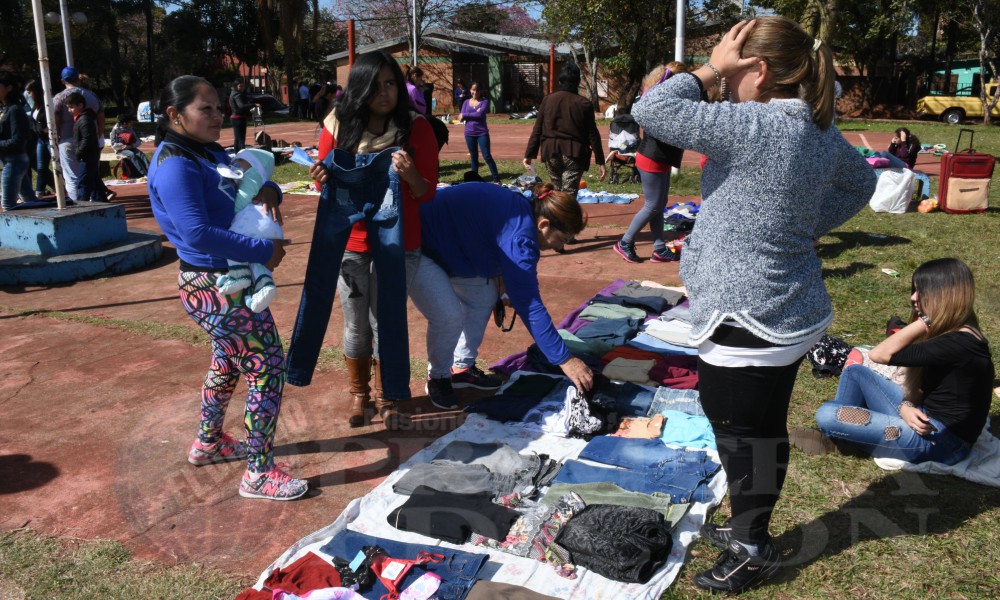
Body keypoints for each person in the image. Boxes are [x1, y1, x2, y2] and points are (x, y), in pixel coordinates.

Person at [632, 18, 878, 593]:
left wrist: (712, 65)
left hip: (749, 316)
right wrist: (801, 225)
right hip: (787, 309)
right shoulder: (813, 125)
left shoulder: (760, 122)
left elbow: (653, 111)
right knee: (762, 430)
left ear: (760, 72)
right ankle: (753, 527)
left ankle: (752, 546)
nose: (721, 84)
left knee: (740, 434)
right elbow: (861, 183)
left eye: (732, 72)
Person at [146, 74, 306, 501]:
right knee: (267, 368)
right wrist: (261, 250)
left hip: (219, 281)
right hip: (216, 284)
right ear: (174, 115)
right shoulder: (175, 163)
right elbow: (196, 233)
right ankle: (258, 473)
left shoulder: (206, 151)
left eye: (219, 107)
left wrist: (269, 187)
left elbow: (239, 186)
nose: (219, 115)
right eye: (206, 109)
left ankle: (209, 442)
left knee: (228, 361)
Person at [301, 51, 439, 430]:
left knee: (387, 321)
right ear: (360, 88)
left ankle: (388, 394)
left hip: (400, 243)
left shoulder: (417, 129)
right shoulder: (337, 124)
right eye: (376, 86)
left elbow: (426, 193)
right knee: (356, 325)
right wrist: (320, 176)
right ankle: (359, 394)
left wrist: (409, 176)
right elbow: (323, 183)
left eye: (391, 84)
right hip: (351, 243)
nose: (384, 93)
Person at [408, 181, 595, 408]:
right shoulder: (521, 237)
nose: (559, 248)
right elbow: (529, 305)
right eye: (561, 240)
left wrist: (498, 271)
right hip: (416, 244)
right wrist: (565, 360)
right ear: (544, 224)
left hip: (450, 244)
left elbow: (487, 233)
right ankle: (438, 377)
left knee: (483, 297)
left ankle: (460, 367)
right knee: (448, 315)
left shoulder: (524, 210)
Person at [799, 258, 993, 465]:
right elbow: (928, 388)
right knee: (856, 372)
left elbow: (879, 354)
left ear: (944, 296)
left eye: (921, 292)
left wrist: (925, 320)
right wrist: (906, 406)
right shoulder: (958, 334)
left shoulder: (958, 343)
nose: (913, 298)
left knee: (827, 414)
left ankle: (841, 436)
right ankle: (844, 434)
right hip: (924, 420)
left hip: (941, 443)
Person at [614, 62, 688, 264]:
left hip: (659, 157)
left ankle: (659, 248)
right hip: (652, 157)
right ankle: (625, 242)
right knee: (653, 204)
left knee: (659, 204)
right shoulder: (660, 101)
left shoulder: (659, 97)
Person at [523, 62, 606, 196]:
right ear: (577, 82)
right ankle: (565, 215)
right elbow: (593, 135)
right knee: (568, 195)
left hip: (550, 152)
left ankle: (556, 215)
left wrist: (529, 155)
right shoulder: (584, 103)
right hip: (574, 153)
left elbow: (537, 129)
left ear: (560, 81)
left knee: (556, 192)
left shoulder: (547, 100)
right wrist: (601, 161)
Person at [215, 148, 282, 313]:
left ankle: (240, 274)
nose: (234, 164)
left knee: (233, 239)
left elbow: (242, 199)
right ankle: (265, 284)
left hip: (254, 223)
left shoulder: (252, 177)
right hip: (265, 225)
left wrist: (231, 214)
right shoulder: (254, 175)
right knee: (255, 259)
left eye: (240, 161)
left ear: (254, 165)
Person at [52, 66, 104, 201]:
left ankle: (79, 207)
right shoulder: (91, 95)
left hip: (67, 139)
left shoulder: (59, 97)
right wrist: (99, 134)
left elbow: (55, 119)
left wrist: (56, 136)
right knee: (91, 175)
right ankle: (96, 205)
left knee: (72, 178)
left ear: (63, 81)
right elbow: (101, 116)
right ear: (78, 78)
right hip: (91, 140)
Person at [0, 72, 38, 211]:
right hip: (12, 161)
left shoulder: (15, 110)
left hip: (15, 161)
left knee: (8, 205)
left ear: (9, 88)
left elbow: (18, 141)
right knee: (31, 202)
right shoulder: (6, 109)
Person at [459, 81, 501, 184]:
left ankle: (496, 179)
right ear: (470, 90)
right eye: (473, 90)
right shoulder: (465, 102)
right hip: (469, 133)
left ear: (480, 91)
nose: (475, 92)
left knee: (487, 156)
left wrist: (465, 114)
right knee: (473, 157)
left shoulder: (485, 102)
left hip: (482, 133)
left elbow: (479, 115)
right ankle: (474, 180)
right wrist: (472, 113)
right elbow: (461, 117)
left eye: (477, 90)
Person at [66, 91, 104, 202]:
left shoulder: (84, 120)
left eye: (71, 107)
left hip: (88, 156)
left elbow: (87, 139)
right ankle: (101, 201)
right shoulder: (83, 119)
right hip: (90, 154)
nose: (69, 110)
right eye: (68, 107)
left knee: (83, 183)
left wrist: (79, 152)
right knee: (94, 182)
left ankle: (82, 205)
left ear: (80, 105)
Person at [23, 80, 55, 197]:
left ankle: (60, 187)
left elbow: (50, 121)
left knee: (57, 164)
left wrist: (46, 129)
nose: (29, 95)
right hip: (40, 140)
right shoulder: (34, 106)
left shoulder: (46, 105)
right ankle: (39, 192)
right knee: (41, 167)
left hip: (49, 139)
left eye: (30, 92)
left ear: (36, 91)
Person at [229, 79, 253, 152]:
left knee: (237, 138)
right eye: (240, 86)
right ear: (236, 86)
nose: (242, 88)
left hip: (234, 118)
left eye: (243, 86)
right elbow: (241, 106)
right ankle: (242, 155)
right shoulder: (237, 95)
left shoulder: (233, 93)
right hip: (238, 118)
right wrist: (253, 105)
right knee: (241, 139)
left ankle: (237, 153)